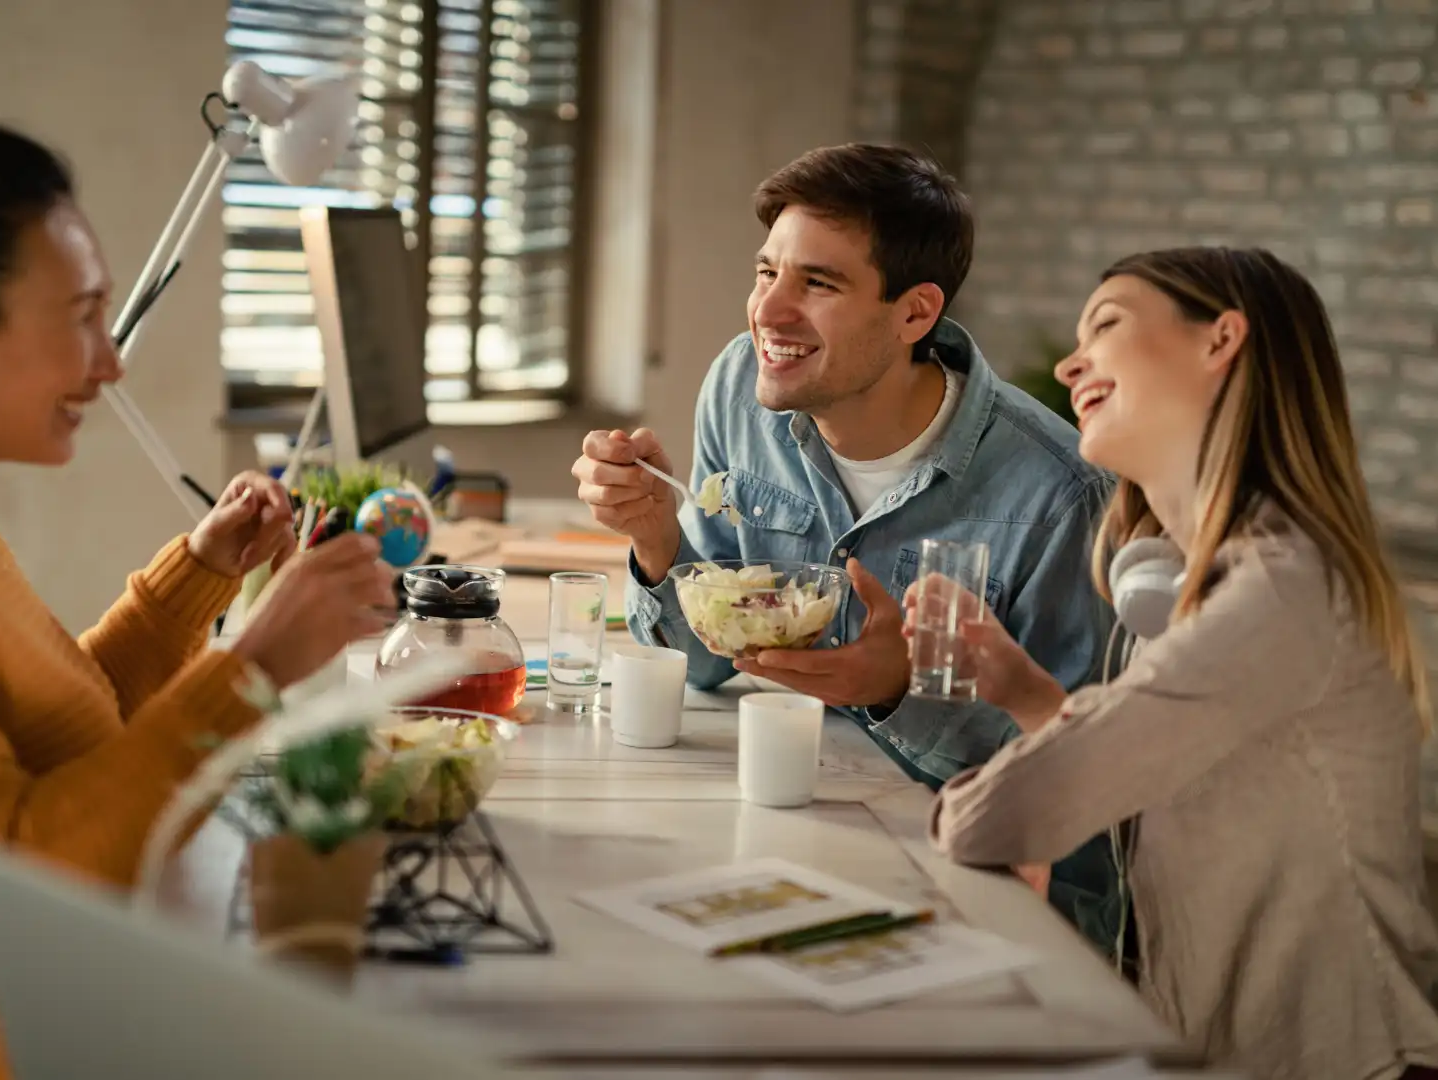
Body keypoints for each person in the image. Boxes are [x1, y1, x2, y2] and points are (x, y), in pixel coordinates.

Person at [0, 100, 395, 1077]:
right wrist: (252, 668)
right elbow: (5, 894)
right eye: (84, 317)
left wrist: (196, 583)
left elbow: (58, 731)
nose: (111, 361)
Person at [571, 144, 1120, 948]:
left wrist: (901, 693)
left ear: (914, 313)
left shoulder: (1058, 496)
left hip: (966, 897)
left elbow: (1087, 794)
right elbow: (711, 664)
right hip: (779, 828)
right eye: (766, 273)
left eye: (817, 284)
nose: (770, 312)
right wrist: (658, 541)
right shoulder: (739, 386)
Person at [926, 246, 1438, 1080]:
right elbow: (1163, 784)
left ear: (1220, 340)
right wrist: (1033, 699)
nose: (1068, 361)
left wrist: (1022, 778)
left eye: (1109, 324)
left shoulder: (1279, 593)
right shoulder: (1178, 580)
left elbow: (1011, 813)